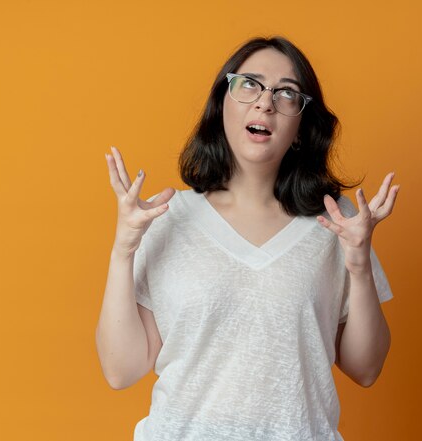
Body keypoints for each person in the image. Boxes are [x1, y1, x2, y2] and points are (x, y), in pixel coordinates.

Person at [96, 36, 400, 441]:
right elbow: (121, 369)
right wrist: (124, 250)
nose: (265, 102)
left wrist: (359, 265)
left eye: (287, 93)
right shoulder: (167, 218)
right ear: (222, 104)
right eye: (250, 85)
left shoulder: (337, 222)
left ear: (299, 129)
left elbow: (365, 369)